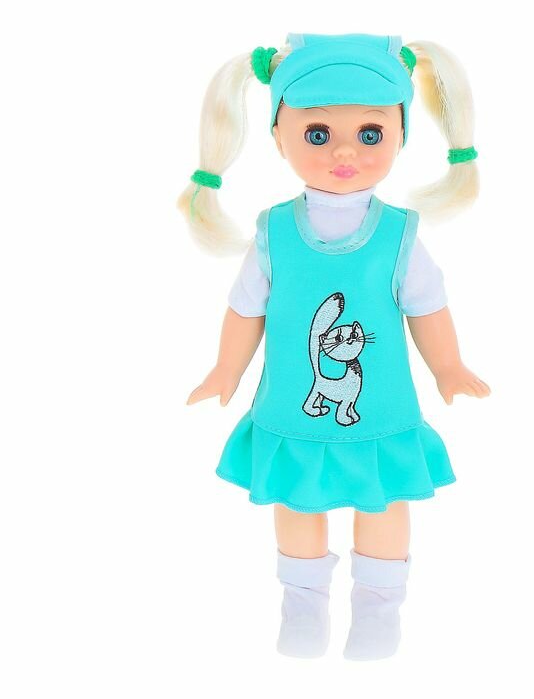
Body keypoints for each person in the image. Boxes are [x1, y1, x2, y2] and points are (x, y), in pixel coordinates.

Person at [179, 32, 490, 661]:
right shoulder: (274, 232)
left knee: (384, 504)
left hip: (380, 411)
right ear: (279, 136)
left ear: (400, 136)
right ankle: (303, 605)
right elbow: (246, 309)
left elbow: (428, 306)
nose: (345, 151)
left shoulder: (398, 235)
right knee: (296, 502)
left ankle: (379, 608)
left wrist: (449, 365)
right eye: (318, 133)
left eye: (370, 133)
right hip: (294, 407)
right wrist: (225, 370)